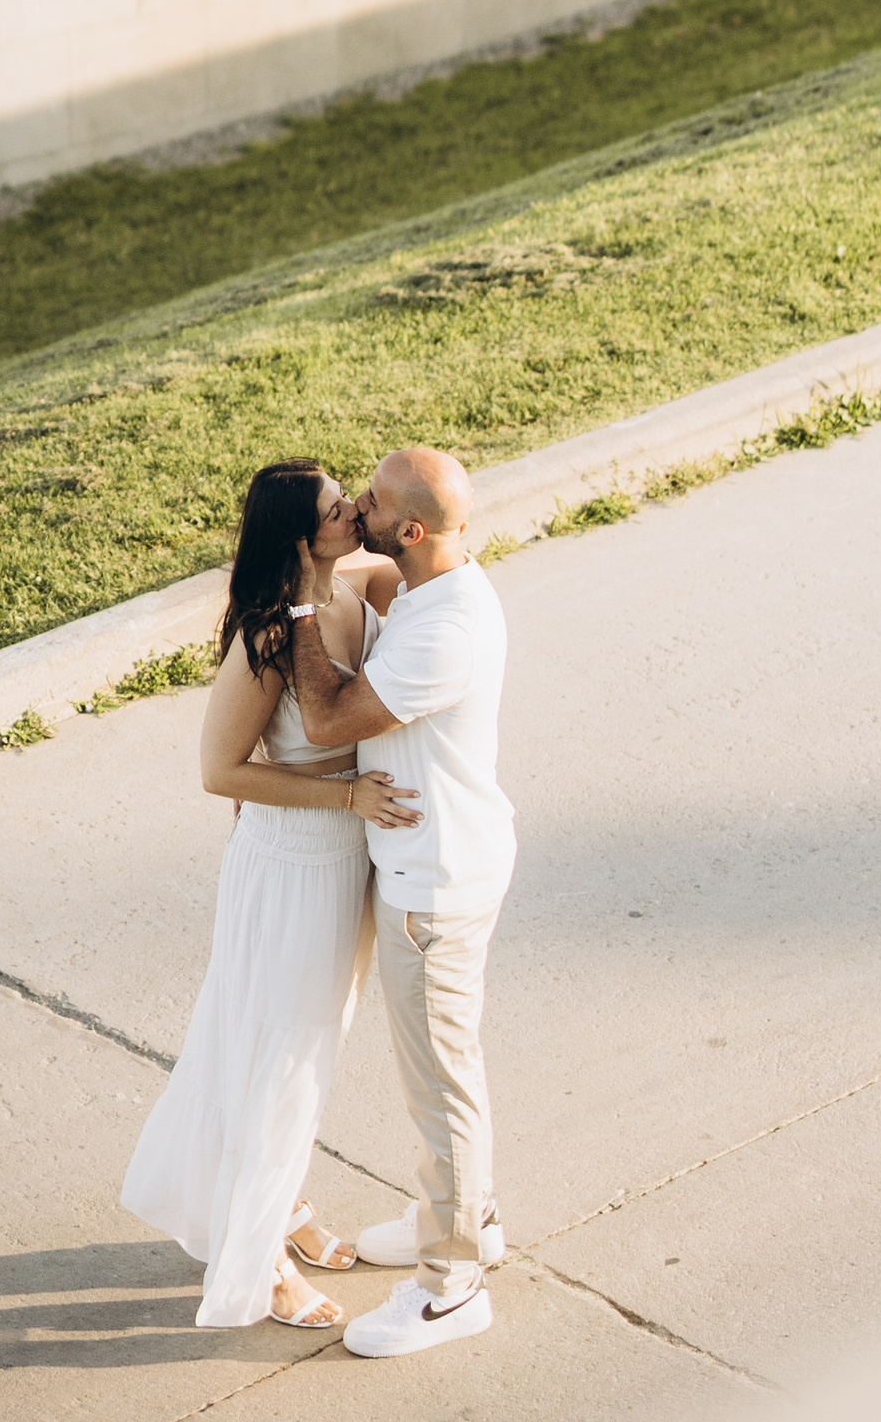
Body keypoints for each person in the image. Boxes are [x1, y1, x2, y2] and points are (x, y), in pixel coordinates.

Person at [121, 458, 420, 1332]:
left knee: (307, 1049)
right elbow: (220, 772)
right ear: (303, 535)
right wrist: (346, 795)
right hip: (290, 863)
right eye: (338, 510)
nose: (353, 516)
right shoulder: (264, 639)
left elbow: (422, 566)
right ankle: (260, 1263)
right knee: (279, 1062)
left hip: (345, 862)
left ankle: (276, 1200)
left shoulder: (354, 584)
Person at [288, 443, 516, 1360]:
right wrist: (332, 560)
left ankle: (453, 1283)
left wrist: (303, 599)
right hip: (445, 862)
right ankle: (467, 1215)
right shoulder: (436, 584)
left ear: (411, 530)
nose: (357, 509)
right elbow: (383, 586)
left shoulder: (443, 634)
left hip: (436, 884)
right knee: (444, 1066)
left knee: (441, 1086)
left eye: (371, 502)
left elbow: (330, 718)